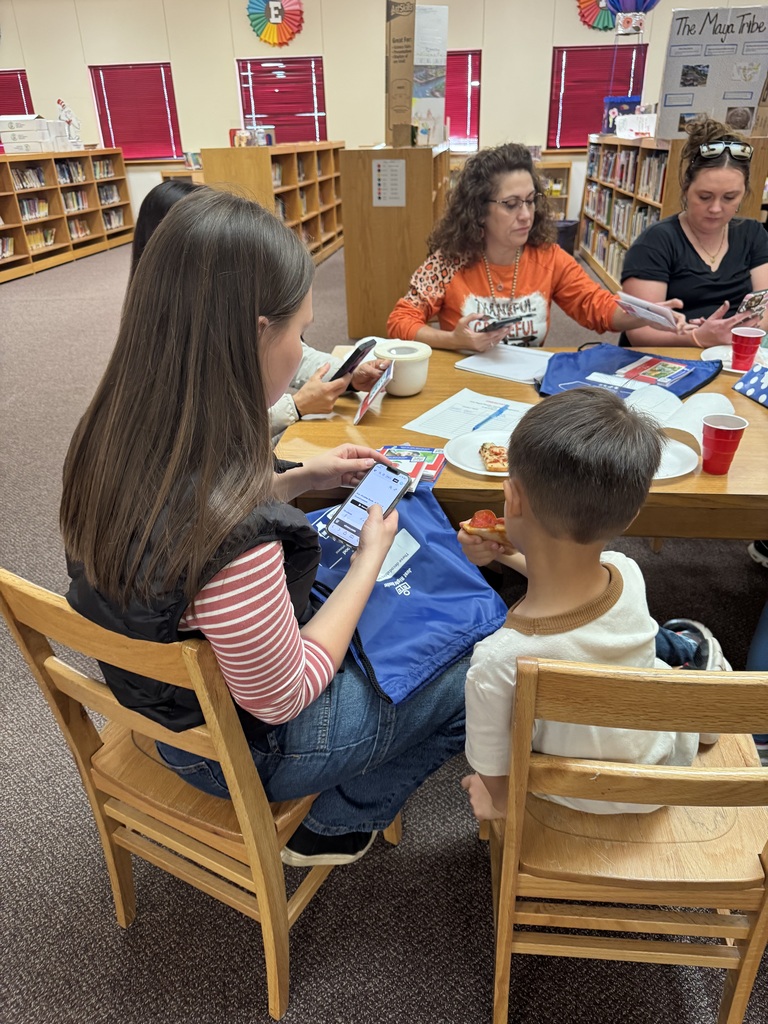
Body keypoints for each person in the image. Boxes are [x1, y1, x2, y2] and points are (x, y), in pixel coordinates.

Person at [61, 189, 468, 867]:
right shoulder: (236, 545)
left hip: (157, 709)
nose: (303, 349)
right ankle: (334, 825)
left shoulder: (110, 432)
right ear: (254, 332)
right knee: (474, 669)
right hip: (233, 752)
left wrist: (293, 483)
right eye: (299, 333)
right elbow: (285, 695)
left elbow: (183, 518)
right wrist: (369, 560)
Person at [456, 388, 723, 821]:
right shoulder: (627, 574)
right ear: (633, 514)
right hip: (654, 779)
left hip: (562, 794)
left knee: (488, 781)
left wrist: (493, 801)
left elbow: (497, 777)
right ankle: (698, 681)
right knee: (659, 656)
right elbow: (564, 570)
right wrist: (505, 552)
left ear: (513, 497)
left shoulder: (498, 660)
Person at [131, 180, 389, 441]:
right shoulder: (170, 349)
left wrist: (347, 372)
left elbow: (288, 350)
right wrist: (295, 407)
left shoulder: (230, 289)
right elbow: (213, 438)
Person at [386, 143, 683, 351]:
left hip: (526, 387)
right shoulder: (448, 261)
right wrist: (453, 341)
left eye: (530, 200)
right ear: (478, 210)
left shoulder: (549, 257)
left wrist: (645, 313)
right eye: (511, 204)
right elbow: (399, 322)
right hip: (460, 382)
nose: (526, 215)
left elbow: (597, 309)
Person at [620, 118, 768, 348]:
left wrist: (731, 333)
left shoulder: (753, 234)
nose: (716, 208)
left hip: (733, 352)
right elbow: (639, 332)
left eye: (730, 197)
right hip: (673, 355)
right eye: (704, 196)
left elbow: (766, 307)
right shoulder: (656, 242)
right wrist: (698, 337)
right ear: (686, 187)